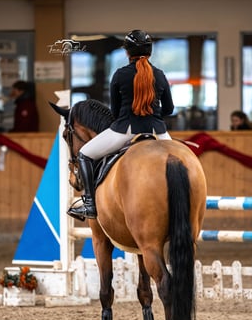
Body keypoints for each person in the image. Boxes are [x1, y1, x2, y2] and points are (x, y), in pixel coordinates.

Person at [68, 29, 174, 221]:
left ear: (127, 52)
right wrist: (153, 116)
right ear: (150, 52)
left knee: (84, 154)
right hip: (158, 132)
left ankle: (90, 205)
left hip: (125, 130)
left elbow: (115, 113)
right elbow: (169, 108)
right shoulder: (159, 75)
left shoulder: (120, 75)